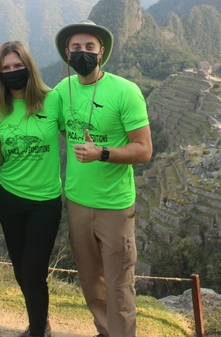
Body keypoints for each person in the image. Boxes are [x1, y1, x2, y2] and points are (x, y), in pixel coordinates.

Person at [54, 20, 152, 337]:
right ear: (67, 53)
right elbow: (32, 112)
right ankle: (104, 330)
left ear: (102, 52)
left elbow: (143, 149)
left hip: (113, 205)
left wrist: (103, 153)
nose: (82, 53)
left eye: (89, 47)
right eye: (76, 48)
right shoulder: (61, 91)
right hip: (77, 202)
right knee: (89, 278)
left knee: (119, 283)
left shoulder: (125, 91)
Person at [0, 41, 62, 337]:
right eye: (6, 68)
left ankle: (37, 329)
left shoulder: (54, 100)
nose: (12, 72)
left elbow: (72, 134)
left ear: (29, 67)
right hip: (10, 198)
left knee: (33, 271)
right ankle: (40, 322)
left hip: (45, 201)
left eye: (17, 66)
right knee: (19, 269)